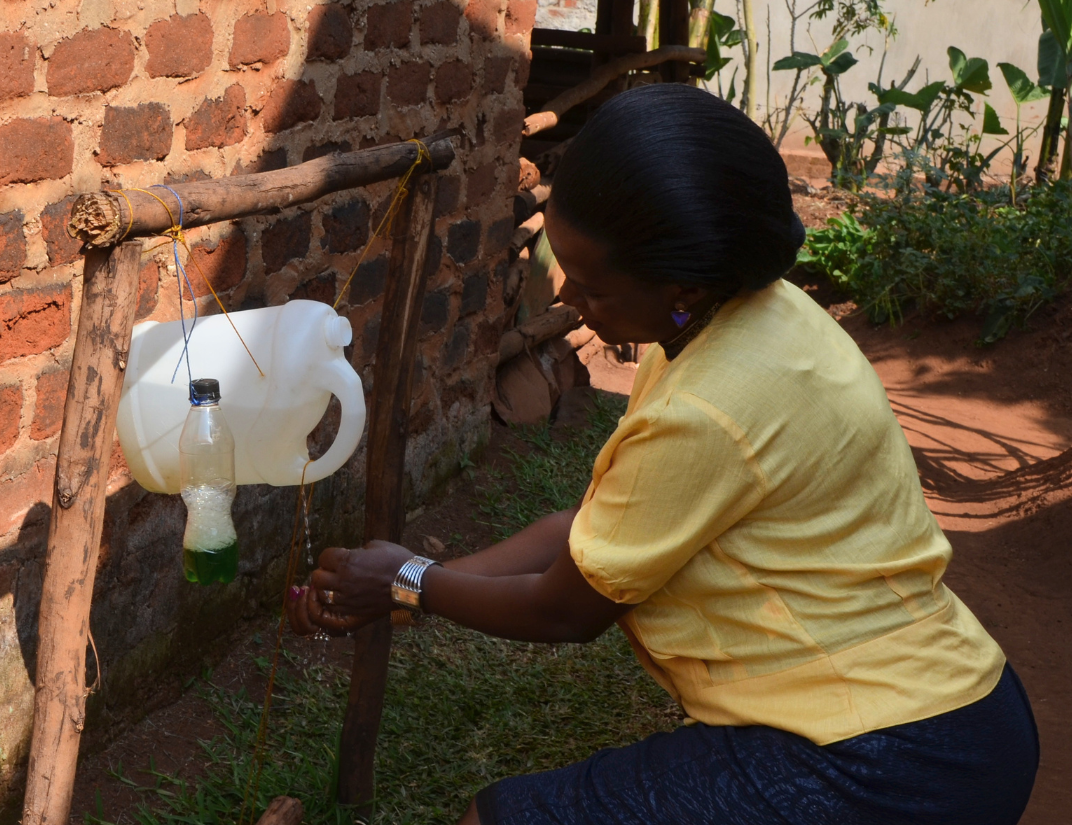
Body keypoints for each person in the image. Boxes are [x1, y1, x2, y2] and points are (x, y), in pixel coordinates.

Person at [287, 85, 1039, 825]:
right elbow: (587, 532)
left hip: (886, 759)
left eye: (593, 286)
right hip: (953, 706)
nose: (566, 294)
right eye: (563, 262)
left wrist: (410, 580)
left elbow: (563, 610)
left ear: (682, 284)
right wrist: (401, 582)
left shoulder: (707, 405)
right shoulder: (735, 319)